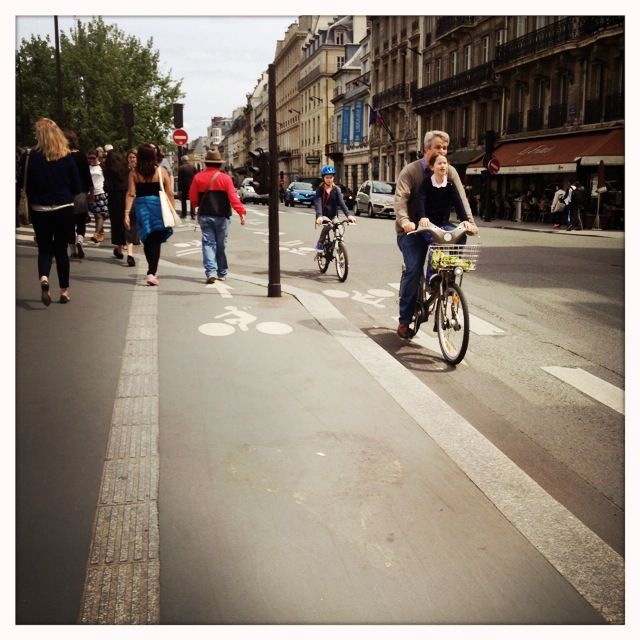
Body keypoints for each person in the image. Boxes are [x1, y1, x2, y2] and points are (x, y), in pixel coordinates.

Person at [395, 129, 478, 340]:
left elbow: (461, 200)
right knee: (413, 270)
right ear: (427, 150)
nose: (443, 152)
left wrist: (469, 222)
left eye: (445, 148)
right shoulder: (411, 172)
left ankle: (447, 285)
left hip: (439, 226)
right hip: (413, 231)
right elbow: (401, 201)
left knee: (459, 237)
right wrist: (405, 222)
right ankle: (405, 320)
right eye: (438, 147)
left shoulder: (449, 172)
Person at [20, 117, 81, 305]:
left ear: (39, 135)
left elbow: (24, 183)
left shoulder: (30, 156)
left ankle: (44, 279)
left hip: (40, 208)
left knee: (44, 249)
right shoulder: (67, 156)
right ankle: (64, 291)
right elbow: (77, 187)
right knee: (61, 250)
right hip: (63, 207)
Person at [189, 149, 246, 284]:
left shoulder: (198, 177)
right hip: (222, 217)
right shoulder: (225, 178)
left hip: (205, 215)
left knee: (208, 244)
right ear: (219, 164)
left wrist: (198, 206)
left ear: (206, 163)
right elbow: (233, 198)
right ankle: (222, 272)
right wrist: (241, 213)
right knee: (221, 245)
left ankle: (211, 271)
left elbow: (192, 196)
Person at [415, 150, 471, 284]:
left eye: (445, 163)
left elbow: (458, 203)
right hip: (428, 224)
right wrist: (422, 217)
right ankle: (431, 278)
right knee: (436, 245)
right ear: (432, 167)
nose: (443, 166)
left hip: (442, 223)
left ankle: (450, 271)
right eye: (439, 163)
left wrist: (465, 221)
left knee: (461, 235)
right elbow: (421, 200)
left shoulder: (450, 184)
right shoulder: (427, 183)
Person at [124, 143, 175, 285]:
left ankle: (151, 271)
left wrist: (126, 213)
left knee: (146, 238)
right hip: (158, 206)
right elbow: (169, 193)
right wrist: (172, 210)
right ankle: (152, 272)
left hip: (141, 207)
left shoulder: (134, 173)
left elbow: (130, 194)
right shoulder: (161, 171)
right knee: (156, 239)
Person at [63, 130, 93, 259]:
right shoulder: (81, 156)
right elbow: (87, 175)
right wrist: (91, 190)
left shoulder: (62, 156)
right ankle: (80, 240)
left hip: (66, 193)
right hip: (81, 191)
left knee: (69, 222)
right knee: (81, 219)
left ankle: (72, 251)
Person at [314, 164, 356, 251]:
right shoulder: (320, 190)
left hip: (333, 215)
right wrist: (319, 216)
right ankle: (320, 243)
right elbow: (318, 203)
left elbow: (341, 202)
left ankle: (341, 249)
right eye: (327, 177)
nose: (329, 179)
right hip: (323, 215)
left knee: (340, 228)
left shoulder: (336, 189)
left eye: (331, 177)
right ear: (323, 178)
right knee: (329, 226)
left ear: (333, 178)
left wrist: (348, 215)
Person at [104, 149, 135, 265]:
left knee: (117, 225)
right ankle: (130, 253)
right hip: (127, 198)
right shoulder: (127, 171)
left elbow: (106, 188)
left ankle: (120, 250)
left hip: (114, 200)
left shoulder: (108, 172)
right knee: (128, 224)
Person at [88, 149, 108, 244]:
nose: (91, 160)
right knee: (96, 214)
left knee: (99, 214)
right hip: (91, 193)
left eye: (93, 158)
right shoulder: (88, 167)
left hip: (101, 192)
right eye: (90, 158)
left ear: (97, 157)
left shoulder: (102, 166)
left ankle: (96, 234)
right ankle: (102, 233)